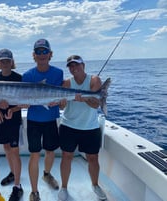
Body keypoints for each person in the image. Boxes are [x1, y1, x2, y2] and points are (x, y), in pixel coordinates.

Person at [58, 55, 107, 201]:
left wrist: (84, 98)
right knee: (67, 156)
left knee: (93, 158)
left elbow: (95, 105)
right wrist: (60, 101)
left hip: (90, 127)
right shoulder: (67, 83)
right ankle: (64, 187)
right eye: (71, 66)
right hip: (68, 125)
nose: (74, 68)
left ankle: (95, 185)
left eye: (76, 65)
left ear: (83, 65)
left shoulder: (94, 80)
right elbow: (62, 106)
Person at [22, 39, 63, 201]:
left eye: (44, 51)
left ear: (50, 54)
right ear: (34, 55)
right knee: (34, 155)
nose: (41, 55)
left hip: (51, 119)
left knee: (51, 151)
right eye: (38, 52)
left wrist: (60, 101)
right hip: (34, 121)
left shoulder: (58, 73)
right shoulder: (27, 75)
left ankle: (46, 175)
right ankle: (34, 191)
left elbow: (60, 95)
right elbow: (25, 100)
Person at [0, 49, 24, 201]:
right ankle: (13, 173)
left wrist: (13, 108)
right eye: (2, 60)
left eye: (7, 60)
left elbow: (26, 102)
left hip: (14, 120)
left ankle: (18, 186)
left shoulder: (19, 78)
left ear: (12, 62)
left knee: (15, 151)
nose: (5, 63)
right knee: (6, 148)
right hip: (1, 120)